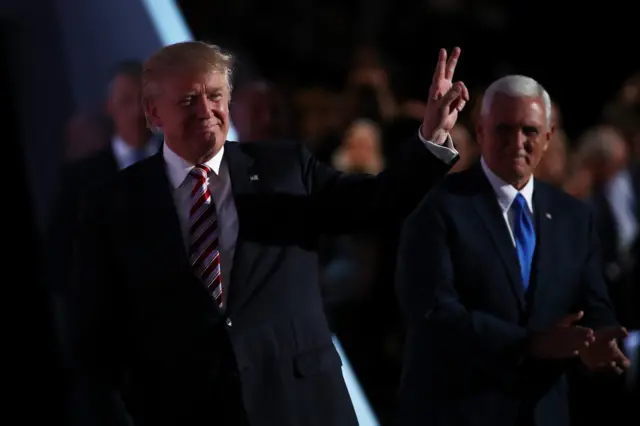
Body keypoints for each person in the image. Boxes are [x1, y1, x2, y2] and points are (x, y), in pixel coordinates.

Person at [65, 41, 469, 426]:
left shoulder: (285, 168)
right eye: (189, 100)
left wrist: (429, 140)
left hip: (301, 404)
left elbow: (377, 202)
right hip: (188, 411)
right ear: (154, 114)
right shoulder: (112, 203)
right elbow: (94, 340)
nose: (207, 111)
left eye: (216, 96)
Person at [394, 75, 630, 426]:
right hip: (457, 412)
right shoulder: (438, 208)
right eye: (504, 129)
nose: (517, 142)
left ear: (548, 137)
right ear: (480, 131)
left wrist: (599, 341)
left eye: (530, 131)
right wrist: (529, 344)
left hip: (543, 413)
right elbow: (433, 313)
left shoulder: (573, 217)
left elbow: (593, 303)